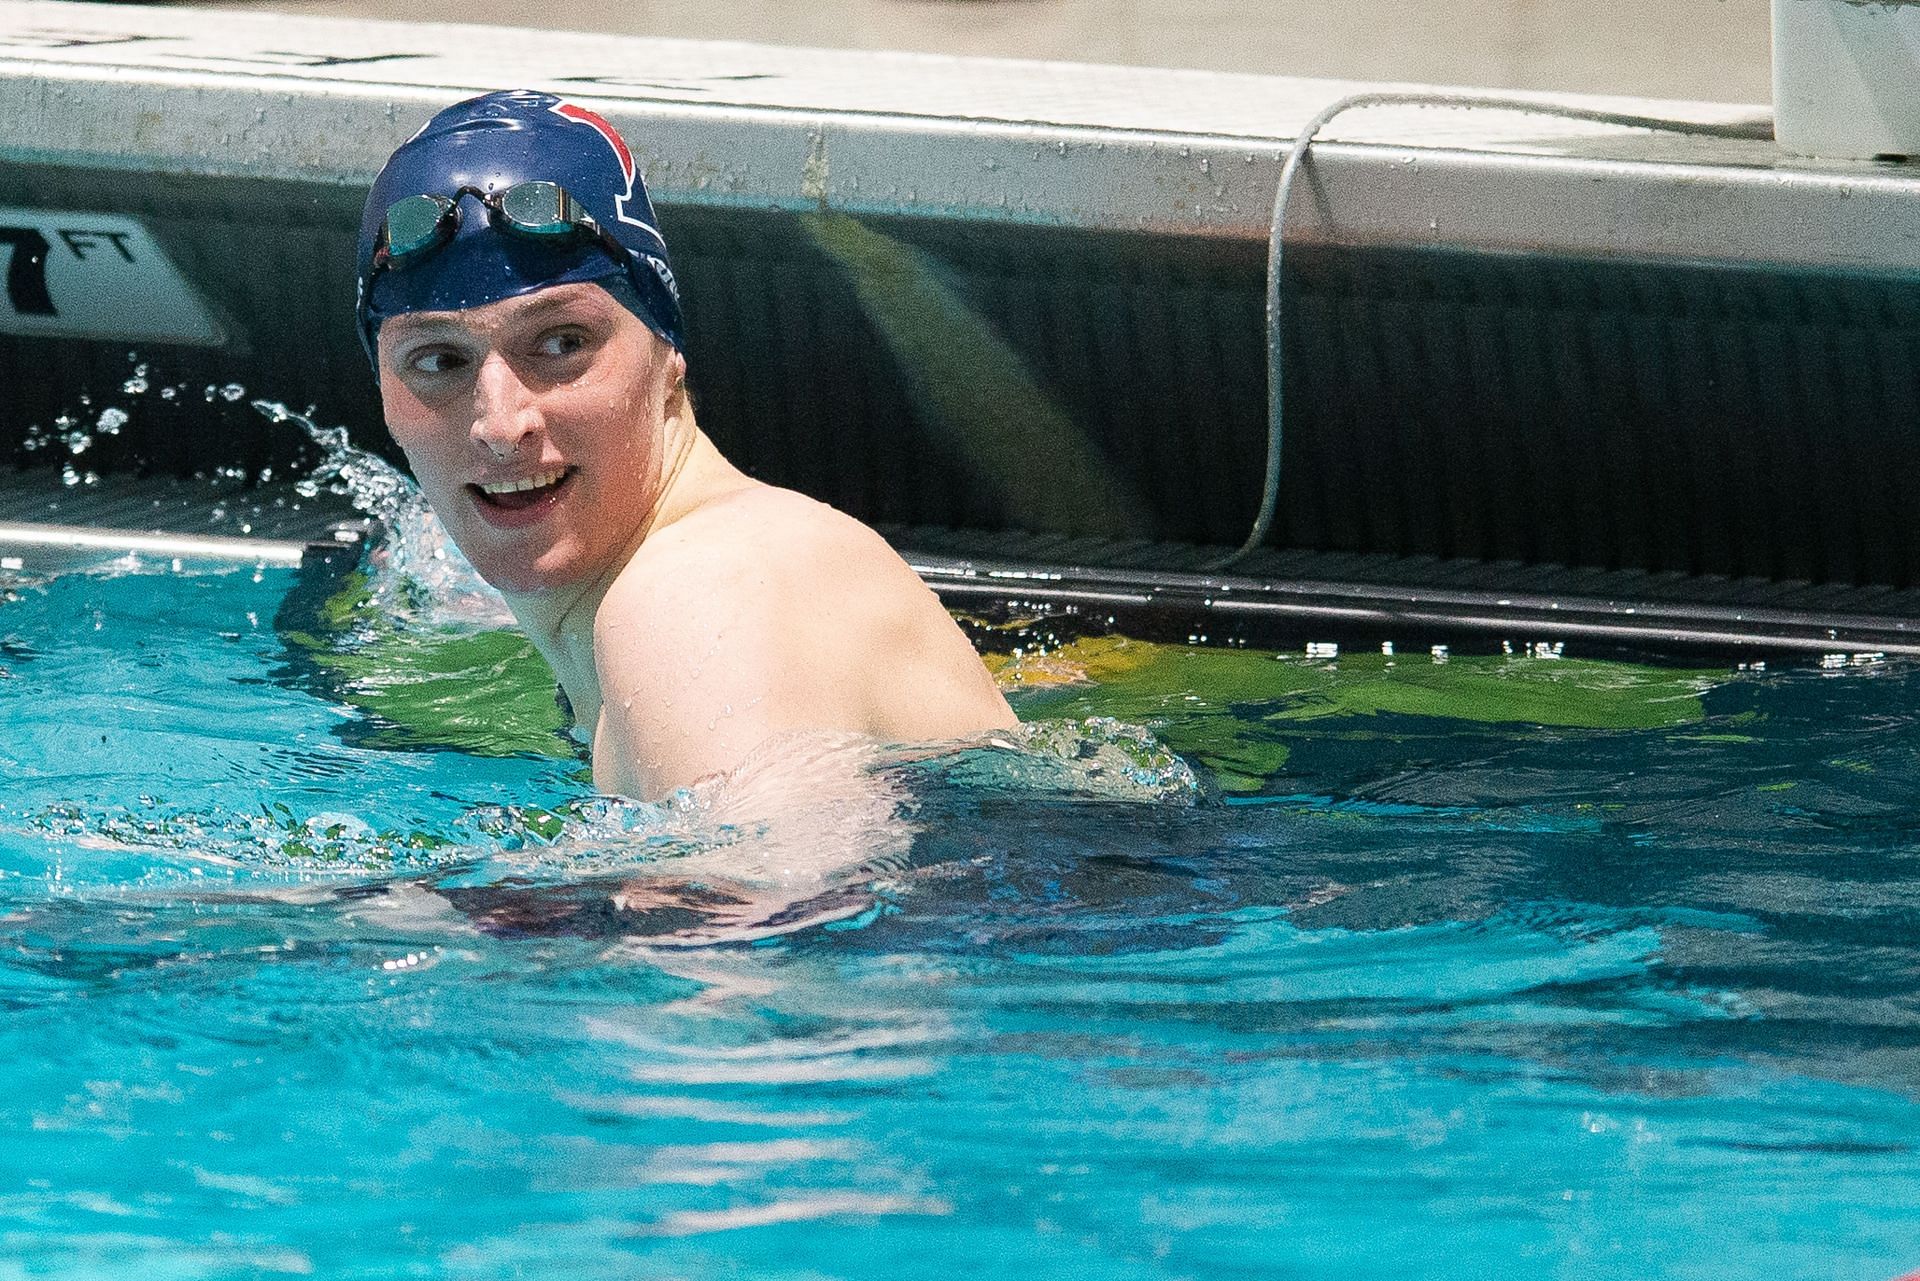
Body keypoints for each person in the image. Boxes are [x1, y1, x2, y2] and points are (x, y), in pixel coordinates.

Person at [356, 90, 1016, 802]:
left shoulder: (690, 599)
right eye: (438, 361)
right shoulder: (680, 580)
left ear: (666, 350)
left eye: (560, 343)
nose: (500, 423)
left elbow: (779, 903)